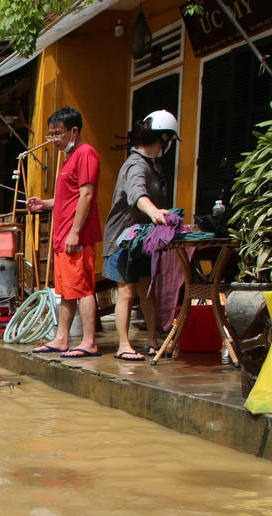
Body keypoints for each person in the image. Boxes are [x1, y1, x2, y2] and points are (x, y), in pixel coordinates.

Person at [102, 110, 178, 361]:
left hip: (144, 238)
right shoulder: (135, 165)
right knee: (127, 291)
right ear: (164, 137)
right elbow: (137, 196)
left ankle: (153, 342)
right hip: (123, 238)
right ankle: (124, 345)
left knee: (147, 290)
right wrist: (155, 212)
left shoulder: (154, 166)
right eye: (169, 140)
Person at [27, 106, 102, 358]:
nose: (54, 139)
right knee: (68, 290)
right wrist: (45, 204)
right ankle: (61, 339)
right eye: (51, 134)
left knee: (83, 288)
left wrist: (75, 233)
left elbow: (87, 194)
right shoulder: (69, 159)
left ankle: (89, 342)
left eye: (58, 133)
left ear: (74, 130)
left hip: (75, 237)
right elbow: (67, 197)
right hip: (63, 237)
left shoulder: (86, 154)